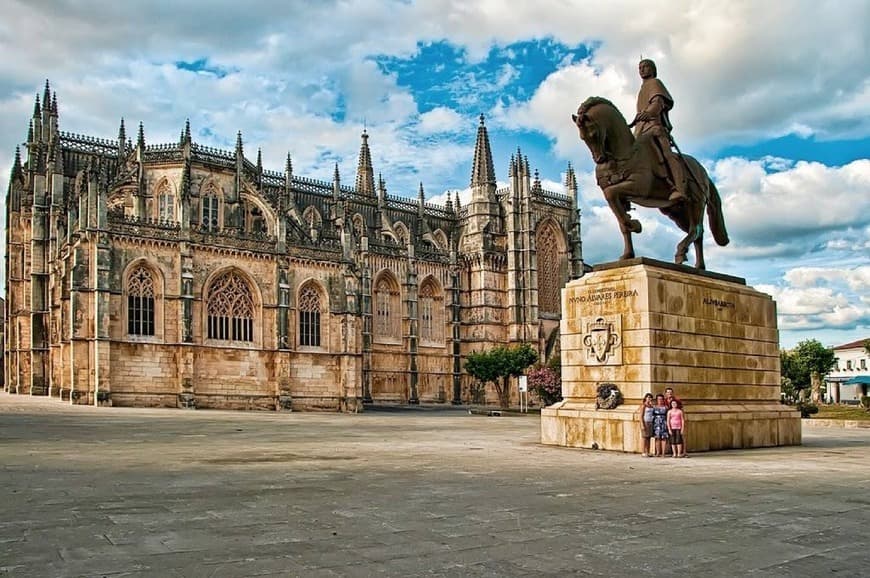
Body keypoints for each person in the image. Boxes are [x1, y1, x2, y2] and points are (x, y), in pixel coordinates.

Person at [630, 59, 686, 203]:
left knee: (667, 154)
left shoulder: (655, 83)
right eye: (640, 68)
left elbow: (658, 103)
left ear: (652, 69)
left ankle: (679, 187)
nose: (642, 70)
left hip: (655, 127)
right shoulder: (642, 89)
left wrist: (649, 113)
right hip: (641, 130)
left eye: (645, 67)